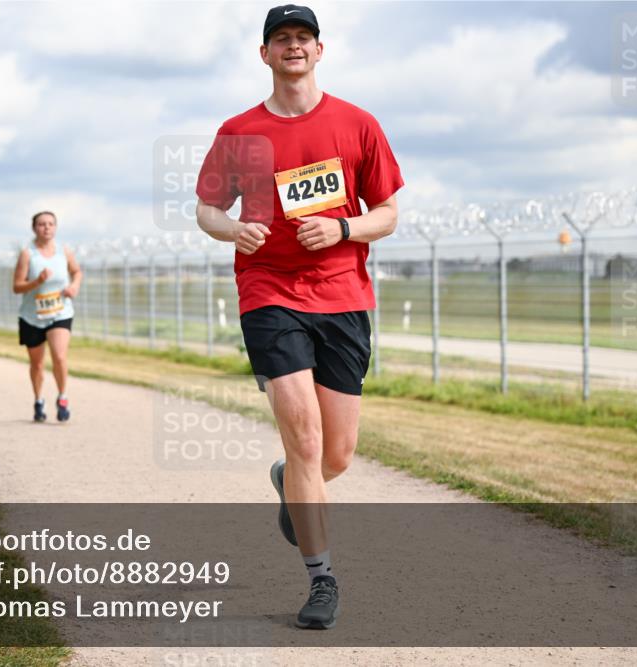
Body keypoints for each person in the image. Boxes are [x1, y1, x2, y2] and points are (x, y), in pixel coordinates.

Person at [195, 5, 403, 630]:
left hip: (342, 296)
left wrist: (342, 226)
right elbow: (206, 210)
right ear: (265, 54)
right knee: (305, 434)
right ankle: (322, 580)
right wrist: (234, 228)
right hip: (269, 292)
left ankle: (292, 479)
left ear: (319, 50)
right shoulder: (239, 131)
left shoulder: (357, 124)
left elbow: (387, 213)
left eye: (303, 38)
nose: (293, 47)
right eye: (281, 38)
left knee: (333, 455)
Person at [13, 211, 82, 423]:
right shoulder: (28, 254)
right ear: (34, 228)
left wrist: (74, 286)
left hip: (60, 312)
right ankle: (38, 399)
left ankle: (62, 398)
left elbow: (77, 271)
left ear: (56, 227)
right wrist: (37, 282)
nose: (47, 228)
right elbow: (17, 287)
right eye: (42, 224)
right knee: (37, 364)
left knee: (59, 356)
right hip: (32, 316)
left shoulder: (64, 251)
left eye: (51, 224)